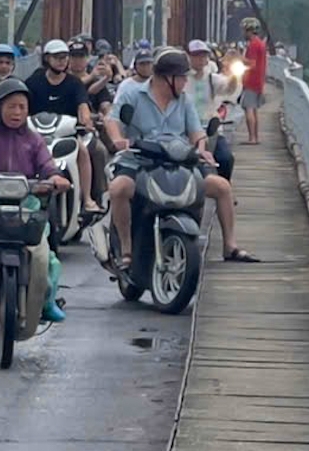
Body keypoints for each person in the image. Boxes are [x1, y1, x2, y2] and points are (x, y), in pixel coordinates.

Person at [102, 47, 259, 267]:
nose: (186, 83)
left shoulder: (184, 101)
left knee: (222, 187)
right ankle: (127, 250)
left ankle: (230, 246)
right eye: (182, 78)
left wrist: (202, 148)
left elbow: (196, 132)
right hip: (139, 160)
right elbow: (112, 120)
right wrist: (119, 139)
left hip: (177, 162)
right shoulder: (132, 93)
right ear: (167, 78)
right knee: (119, 188)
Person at [0, 78, 69, 344]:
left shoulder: (35, 141)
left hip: (26, 206)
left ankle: (47, 300)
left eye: (21, 107)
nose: (16, 113)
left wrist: (55, 178)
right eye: (10, 107)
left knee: (44, 257)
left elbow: (48, 167)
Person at [23, 39, 100, 214]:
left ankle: (87, 198)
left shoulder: (74, 83)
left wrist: (87, 122)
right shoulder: (34, 81)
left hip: (66, 135)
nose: (62, 61)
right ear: (47, 59)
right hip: (37, 136)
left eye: (65, 57)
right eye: (57, 57)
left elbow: (83, 106)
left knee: (82, 150)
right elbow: (23, 104)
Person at [183, 40, 237, 181]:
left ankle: (226, 186)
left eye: (203, 55)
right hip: (187, 131)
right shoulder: (182, 79)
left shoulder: (211, 78)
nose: (200, 59)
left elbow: (227, 88)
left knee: (226, 158)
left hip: (210, 130)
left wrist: (235, 75)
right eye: (196, 55)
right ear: (188, 57)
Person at [239, 16, 269, 145]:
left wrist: (238, 57)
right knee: (254, 110)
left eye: (245, 30)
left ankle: (252, 138)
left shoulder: (253, 45)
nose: (243, 33)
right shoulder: (260, 43)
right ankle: (255, 137)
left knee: (249, 109)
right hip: (258, 81)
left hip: (251, 81)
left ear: (249, 30)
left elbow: (251, 63)